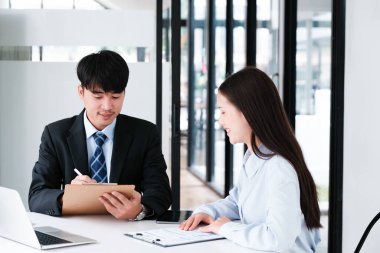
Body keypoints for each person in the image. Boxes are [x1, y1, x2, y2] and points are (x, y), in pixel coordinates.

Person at [180, 67, 321, 252]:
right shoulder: (255, 156)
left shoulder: (278, 166)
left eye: (223, 112)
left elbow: (278, 239)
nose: (220, 121)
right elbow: (237, 202)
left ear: (246, 113)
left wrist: (226, 228)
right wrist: (208, 212)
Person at [28, 50, 172, 220]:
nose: (107, 106)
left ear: (124, 93)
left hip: (126, 231)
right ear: (81, 92)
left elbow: (161, 192)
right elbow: (37, 195)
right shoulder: (55, 134)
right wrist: (67, 197)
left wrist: (141, 210)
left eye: (116, 96)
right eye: (98, 96)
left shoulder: (145, 133)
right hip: (75, 230)